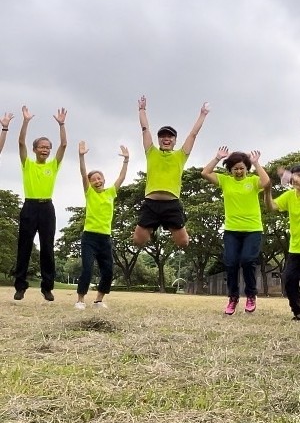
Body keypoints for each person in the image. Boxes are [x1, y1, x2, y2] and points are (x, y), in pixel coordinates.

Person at [133, 95, 209, 248]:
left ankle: (167, 226)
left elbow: (193, 134)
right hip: (151, 204)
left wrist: (203, 114)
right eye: (163, 136)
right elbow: (145, 130)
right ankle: (152, 228)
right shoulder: (151, 152)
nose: (166, 139)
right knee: (138, 241)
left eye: (170, 136)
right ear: (159, 139)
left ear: (175, 140)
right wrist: (142, 110)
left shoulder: (181, 155)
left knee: (183, 243)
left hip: (171, 204)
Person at [201, 146, 270, 315]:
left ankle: (251, 296)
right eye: (235, 169)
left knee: (247, 261)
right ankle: (233, 298)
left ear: (247, 168)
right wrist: (217, 158)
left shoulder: (253, 181)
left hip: (253, 229)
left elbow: (266, 182)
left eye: (242, 168)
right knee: (231, 262)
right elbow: (205, 173)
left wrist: (256, 163)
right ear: (230, 170)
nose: (239, 171)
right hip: (231, 230)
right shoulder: (225, 181)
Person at [14, 105, 67, 301]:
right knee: (24, 247)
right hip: (29, 207)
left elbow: (64, 146)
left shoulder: (53, 165)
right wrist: (26, 121)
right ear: (35, 149)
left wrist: (62, 125)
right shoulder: (27, 164)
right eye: (41, 147)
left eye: (47, 147)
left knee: (47, 247)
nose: (44, 150)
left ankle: (47, 287)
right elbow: (20, 143)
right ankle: (20, 286)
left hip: (47, 208)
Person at [75, 141, 129, 310]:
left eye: (99, 178)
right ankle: (80, 300)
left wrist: (126, 160)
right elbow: (83, 174)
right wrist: (81, 156)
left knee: (108, 271)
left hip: (105, 238)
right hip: (89, 237)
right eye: (93, 180)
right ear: (90, 183)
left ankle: (99, 300)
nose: (97, 181)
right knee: (87, 269)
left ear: (104, 179)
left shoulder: (111, 192)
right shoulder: (89, 193)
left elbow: (121, 178)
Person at [264, 165, 300, 320]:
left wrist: (289, 175)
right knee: (290, 280)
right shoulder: (290, 196)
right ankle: (298, 311)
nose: (295, 179)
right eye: (294, 176)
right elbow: (272, 206)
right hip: (295, 248)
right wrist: (267, 190)